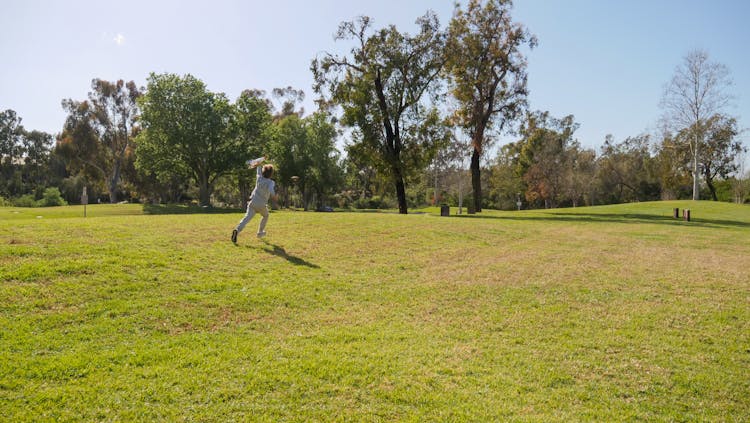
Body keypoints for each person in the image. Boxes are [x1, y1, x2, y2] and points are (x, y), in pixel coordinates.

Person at [232, 157, 277, 243]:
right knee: (266, 216)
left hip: (252, 202)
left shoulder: (259, 178)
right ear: (271, 174)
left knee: (246, 219)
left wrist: (260, 161)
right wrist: (274, 196)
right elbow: (271, 191)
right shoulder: (271, 182)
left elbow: (258, 166)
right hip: (261, 205)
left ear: (263, 172)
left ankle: (237, 230)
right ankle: (260, 232)